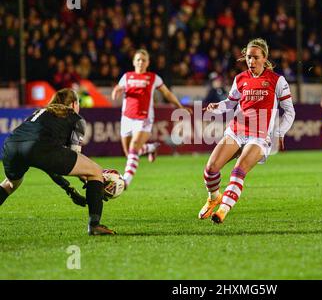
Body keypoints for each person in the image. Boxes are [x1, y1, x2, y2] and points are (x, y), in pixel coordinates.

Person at [198, 38, 295, 224]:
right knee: (210, 169)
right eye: (248, 57)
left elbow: (290, 111)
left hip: (259, 136)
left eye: (255, 57)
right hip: (237, 130)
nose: (251, 61)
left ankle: (223, 210)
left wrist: (280, 132)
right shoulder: (240, 79)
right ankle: (213, 198)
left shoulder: (277, 81)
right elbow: (230, 103)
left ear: (264, 58)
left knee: (239, 169)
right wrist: (217, 106)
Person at [0, 88, 115, 235]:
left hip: (11, 146)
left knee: (10, 184)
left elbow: (47, 163)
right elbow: (74, 157)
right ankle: (94, 225)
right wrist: (96, 185)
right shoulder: (76, 118)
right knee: (95, 171)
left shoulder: (40, 112)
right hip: (39, 146)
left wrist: (69, 189)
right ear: (74, 104)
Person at [111, 49, 191, 188]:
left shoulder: (153, 78)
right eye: (138, 59)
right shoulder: (127, 76)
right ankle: (151, 148)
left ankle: (125, 182)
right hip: (126, 118)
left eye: (143, 60)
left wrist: (179, 106)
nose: (141, 62)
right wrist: (116, 91)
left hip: (144, 118)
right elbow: (118, 87)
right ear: (133, 62)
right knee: (128, 153)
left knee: (134, 147)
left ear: (147, 62)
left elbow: (166, 92)